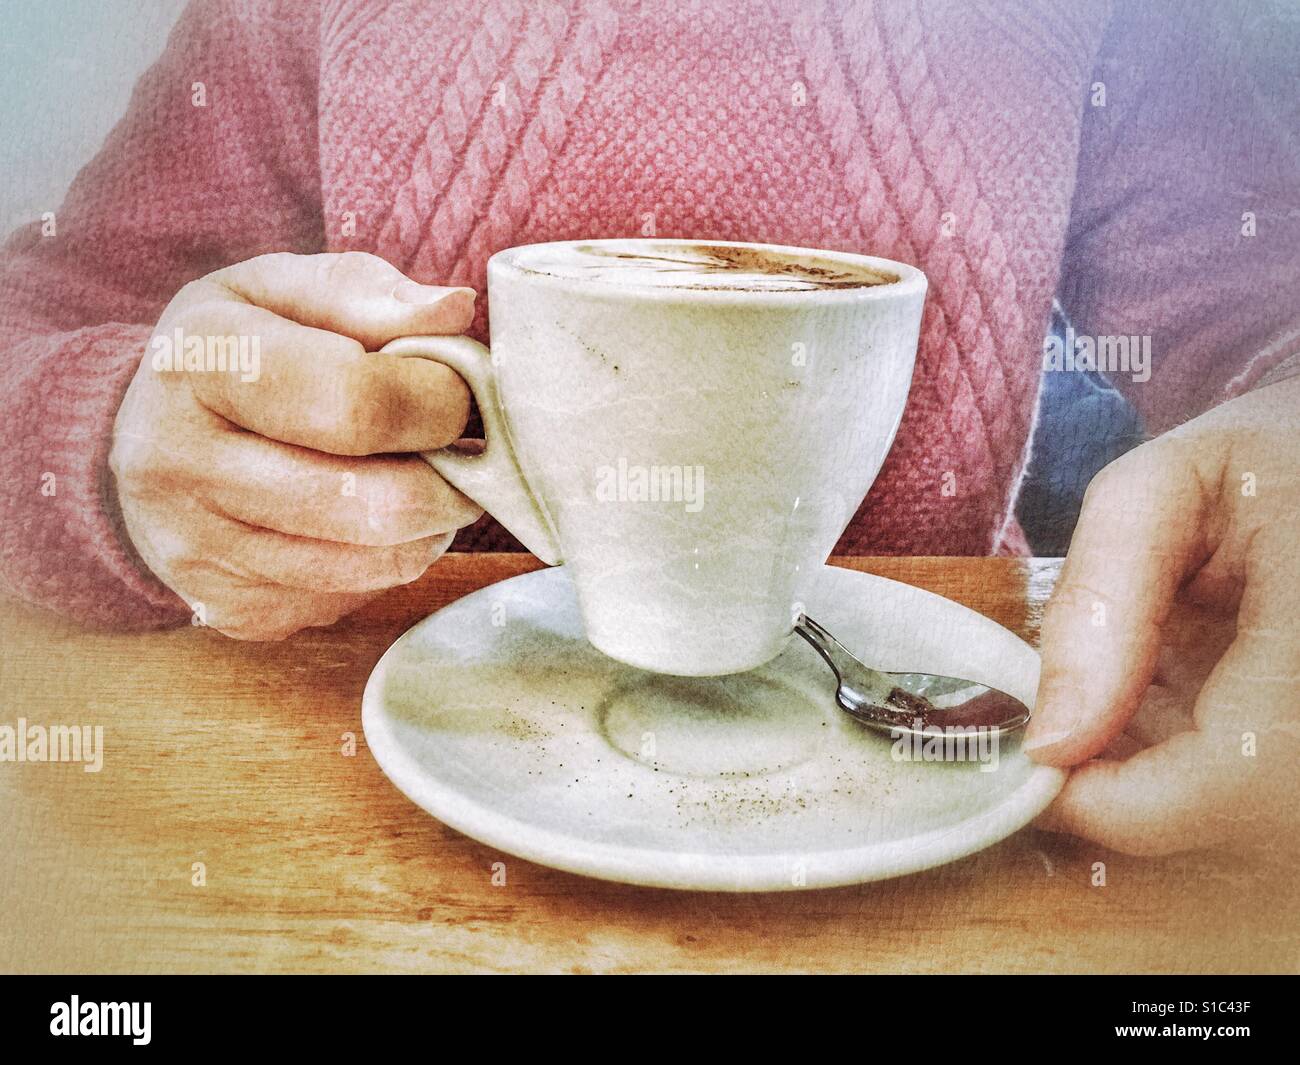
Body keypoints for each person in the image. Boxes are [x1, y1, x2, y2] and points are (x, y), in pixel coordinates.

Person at [0, 0, 1296, 857]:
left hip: (965, 808)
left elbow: (1271, 315)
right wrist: (113, 441)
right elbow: (33, 328)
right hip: (384, 796)